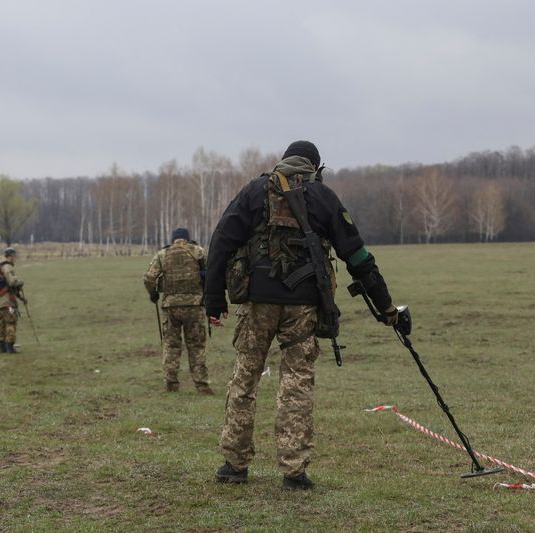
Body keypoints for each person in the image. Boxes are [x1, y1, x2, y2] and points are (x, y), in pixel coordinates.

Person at [205, 141, 399, 490]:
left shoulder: (253, 192)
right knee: (296, 383)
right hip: (303, 306)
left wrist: (213, 298)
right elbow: (358, 257)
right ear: (315, 168)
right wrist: (385, 306)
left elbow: (221, 241)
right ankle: (294, 471)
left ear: (283, 162)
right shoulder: (323, 198)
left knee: (244, 380)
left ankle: (234, 464)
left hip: (257, 303)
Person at [143, 228, 214, 395]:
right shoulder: (198, 252)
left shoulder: (162, 254)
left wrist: (153, 294)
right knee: (196, 346)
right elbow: (211, 274)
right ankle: (202, 385)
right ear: (188, 239)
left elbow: (148, 278)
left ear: (173, 239)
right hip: (195, 306)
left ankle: (171, 384)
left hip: (170, 307)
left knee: (171, 345)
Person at [0, 247, 24, 353]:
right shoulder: (7, 266)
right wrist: (19, 282)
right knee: (11, 321)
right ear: (10, 256)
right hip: (6, 300)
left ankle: (2, 347)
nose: (16, 258)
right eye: (15, 256)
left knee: (1, 323)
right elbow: (12, 283)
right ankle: (10, 346)